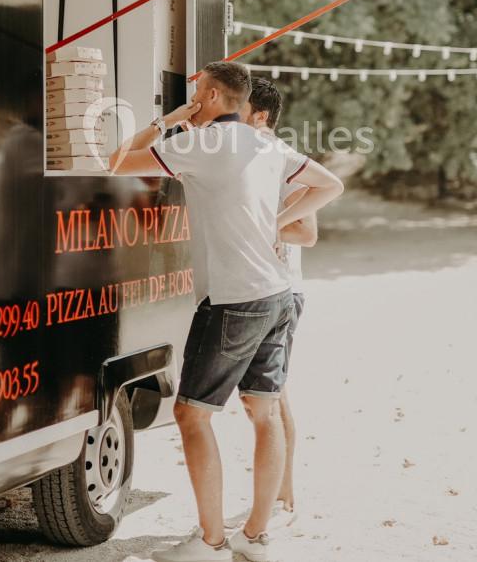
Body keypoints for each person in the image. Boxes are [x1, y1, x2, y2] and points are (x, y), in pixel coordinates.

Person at [109, 61, 343, 562]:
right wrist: (274, 225)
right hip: (279, 294)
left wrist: (171, 118)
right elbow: (330, 186)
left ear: (212, 95)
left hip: (233, 299)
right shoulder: (269, 144)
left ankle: (210, 543)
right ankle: (255, 537)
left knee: (191, 415)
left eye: (197, 92)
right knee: (264, 411)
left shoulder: (195, 143)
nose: (193, 97)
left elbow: (116, 161)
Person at [242, 77, 315, 526]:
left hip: (284, 288)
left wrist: (256, 228)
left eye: (239, 108)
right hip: (260, 288)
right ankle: (282, 488)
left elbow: (307, 232)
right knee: (266, 397)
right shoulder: (250, 159)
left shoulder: (287, 162)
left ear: (260, 116)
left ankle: (285, 489)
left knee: (272, 397)